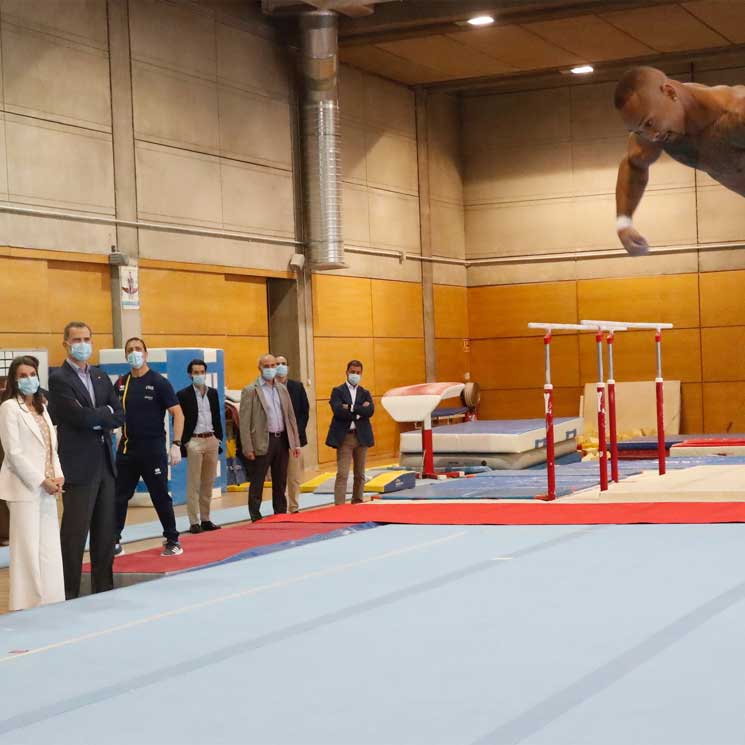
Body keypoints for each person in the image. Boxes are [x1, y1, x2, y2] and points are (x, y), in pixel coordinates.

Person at [614, 65, 745, 256]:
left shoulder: (736, 115)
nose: (651, 136)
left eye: (649, 123)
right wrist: (623, 222)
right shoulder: (656, 132)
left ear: (669, 92)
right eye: (639, 130)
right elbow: (634, 165)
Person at [48, 322, 125, 600]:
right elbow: (77, 418)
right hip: (79, 466)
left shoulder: (101, 377)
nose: (83, 344)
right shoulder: (59, 379)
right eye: (77, 339)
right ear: (66, 343)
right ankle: (68, 592)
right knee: (75, 534)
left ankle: (103, 589)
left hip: (105, 463)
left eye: (87, 338)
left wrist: (97, 415)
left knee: (105, 533)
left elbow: (118, 414)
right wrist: (100, 415)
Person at [0, 356, 65, 610]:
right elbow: (14, 453)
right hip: (24, 488)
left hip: (48, 487)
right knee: (27, 547)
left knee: (48, 547)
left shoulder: (42, 407)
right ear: (14, 381)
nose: (29, 379)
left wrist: (57, 476)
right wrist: (40, 480)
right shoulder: (9, 408)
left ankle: (52, 598)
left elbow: (52, 447)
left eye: (32, 374)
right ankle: (26, 604)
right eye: (23, 376)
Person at [114, 337, 185, 556]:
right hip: (127, 450)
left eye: (138, 349)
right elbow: (112, 411)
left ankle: (173, 540)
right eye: (130, 350)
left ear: (146, 353)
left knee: (160, 495)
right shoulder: (121, 383)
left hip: (152, 450)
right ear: (125, 355)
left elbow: (178, 413)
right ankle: (114, 540)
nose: (134, 353)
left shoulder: (158, 382)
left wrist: (176, 444)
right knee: (119, 496)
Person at [239, 354, 300, 522]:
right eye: (267, 366)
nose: (271, 369)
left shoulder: (282, 388)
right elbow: (244, 422)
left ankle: (280, 512)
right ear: (260, 368)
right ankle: (255, 515)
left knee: (280, 480)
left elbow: (290, 417)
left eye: (273, 365)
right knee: (257, 480)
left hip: (281, 440)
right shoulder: (251, 390)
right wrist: (247, 447)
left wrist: (295, 443)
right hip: (261, 440)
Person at [177, 359, 223, 533]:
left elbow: (217, 417)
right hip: (194, 441)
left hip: (211, 439)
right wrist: (184, 443)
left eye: (202, 372)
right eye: (196, 372)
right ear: (190, 375)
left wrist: (218, 439)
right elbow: (179, 420)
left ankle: (206, 518)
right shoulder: (183, 394)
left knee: (208, 483)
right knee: (194, 483)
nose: (199, 375)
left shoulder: (212, 393)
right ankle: (193, 521)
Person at [325, 360, 374, 506]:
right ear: (346, 372)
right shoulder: (338, 391)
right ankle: (339, 505)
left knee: (360, 474)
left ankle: (357, 501)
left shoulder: (365, 393)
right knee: (343, 474)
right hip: (345, 437)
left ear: (361, 374)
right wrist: (359, 411)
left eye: (358, 373)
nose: (355, 375)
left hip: (361, 437)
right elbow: (338, 411)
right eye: (352, 372)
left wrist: (351, 407)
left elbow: (370, 411)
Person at [274, 355, 309, 514]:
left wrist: (296, 434)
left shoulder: (297, 387)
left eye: (283, 363)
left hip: (294, 439)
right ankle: (279, 508)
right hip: (275, 438)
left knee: (294, 476)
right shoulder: (269, 387)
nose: (281, 366)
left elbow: (304, 412)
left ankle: (294, 507)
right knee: (279, 477)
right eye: (277, 364)